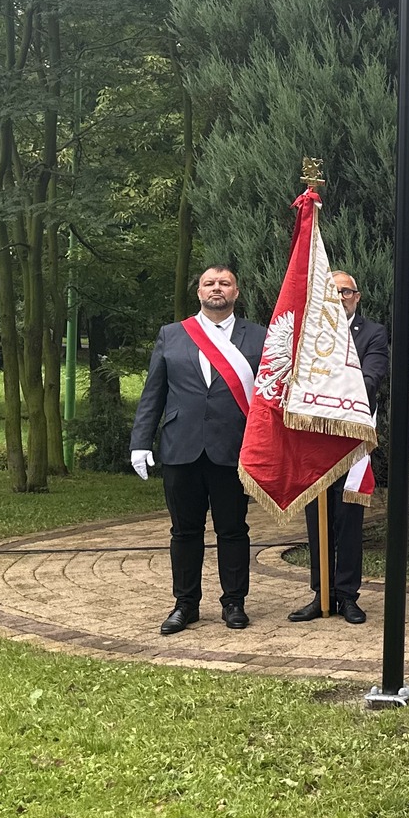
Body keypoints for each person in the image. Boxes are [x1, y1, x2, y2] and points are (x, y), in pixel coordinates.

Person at [130, 265, 269, 635]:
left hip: (233, 447)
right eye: (209, 283)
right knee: (184, 531)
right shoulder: (172, 334)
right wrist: (140, 442)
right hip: (182, 446)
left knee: (233, 530)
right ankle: (186, 604)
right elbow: (153, 392)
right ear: (199, 292)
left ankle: (234, 602)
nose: (216, 288)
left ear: (236, 292)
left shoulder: (259, 337)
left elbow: (270, 398)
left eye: (224, 283)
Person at [290, 270, 389, 626]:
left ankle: (347, 595)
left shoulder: (373, 333)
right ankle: (322, 594)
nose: (339, 297)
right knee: (316, 521)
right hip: (316, 440)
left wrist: (329, 390)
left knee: (348, 521)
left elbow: (371, 377)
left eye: (345, 291)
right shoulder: (308, 335)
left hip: (351, 442)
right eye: (331, 292)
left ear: (356, 297)